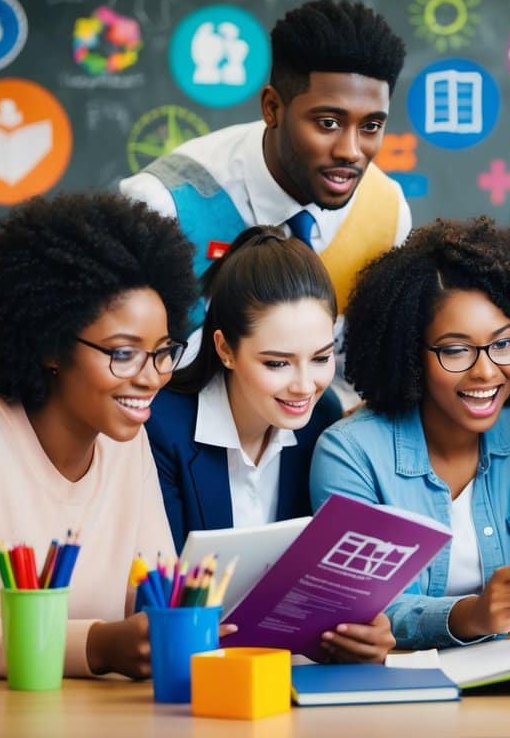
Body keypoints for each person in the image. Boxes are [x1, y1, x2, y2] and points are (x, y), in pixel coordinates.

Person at [0, 192, 202, 680]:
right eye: (123, 353)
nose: (151, 377)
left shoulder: (127, 445)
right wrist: (98, 644)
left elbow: (153, 597)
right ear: (51, 347)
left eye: (163, 351)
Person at [119, 0, 411, 390]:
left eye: (371, 126)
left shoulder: (386, 212)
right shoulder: (164, 204)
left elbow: (357, 380)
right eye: (328, 122)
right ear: (272, 107)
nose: (351, 150)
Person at [144, 227, 389, 663]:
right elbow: (156, 597)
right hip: (188, 674)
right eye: (277, 363)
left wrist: (362, 628)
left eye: (321, 357)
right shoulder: (162, 428)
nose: (303, 385)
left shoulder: (324, 417)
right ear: (224, 349)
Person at [309, 219, 510, 649]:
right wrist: (471, 615)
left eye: (502, 343)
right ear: (409, 353)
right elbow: (360, 608)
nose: (486, 371)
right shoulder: (350, 452)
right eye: (456, 350)